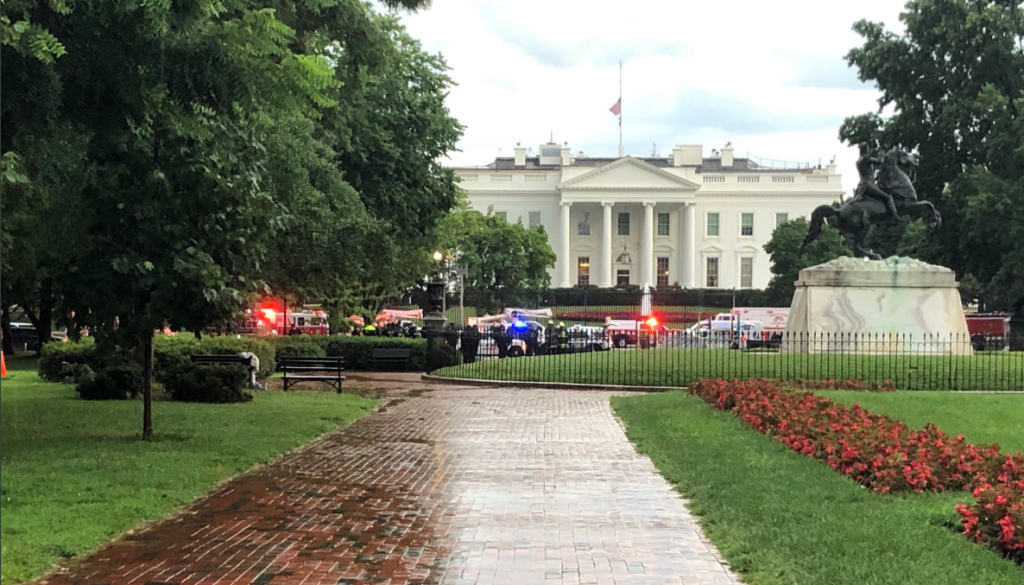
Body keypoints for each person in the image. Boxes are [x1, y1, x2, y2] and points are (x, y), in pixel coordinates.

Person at [853, 144, 902, 221]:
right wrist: (882, 154)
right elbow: (880, 162)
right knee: (888, 197)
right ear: (866, 149)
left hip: (861, 185)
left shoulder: (858, 161)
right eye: (868, 148)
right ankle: (895, 216)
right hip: (868, 184)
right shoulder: (866, 158)